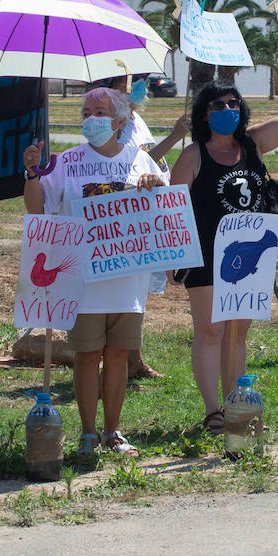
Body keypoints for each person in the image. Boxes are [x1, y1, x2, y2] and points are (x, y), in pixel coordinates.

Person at [170, 58, 278, 433]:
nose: (227, 110)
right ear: (203, 114)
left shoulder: (253, 144)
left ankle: (236, 404)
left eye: (233, 103)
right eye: (217, 105)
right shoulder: (193, 155)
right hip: (206, 258)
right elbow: (173, 209)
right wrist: (174, 258)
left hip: (252, 257)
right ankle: (213, 411)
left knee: (238, 333)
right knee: (210, 332)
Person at [23, 86, 168, 457]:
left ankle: (113, 432)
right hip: (82, 279)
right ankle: (88, 434)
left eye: (99, 113)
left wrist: (155, 185)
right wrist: (31, 174)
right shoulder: (66, 161)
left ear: (121, 121)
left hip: (126, 279)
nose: (91, 120)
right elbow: (38, 211)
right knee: (88, 356)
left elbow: (165, 212)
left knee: (119, 354)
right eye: (86, 113)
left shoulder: (141, 160)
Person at [99, 74, 191, 381]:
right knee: (129, 288)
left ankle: (133, 359)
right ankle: (124, 359)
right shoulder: (118, 123)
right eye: (126, 84)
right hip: (129, 212)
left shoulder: (135, 119)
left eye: (135, 82)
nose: (134, 88)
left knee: (138, 289)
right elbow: (135, 165)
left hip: (146, 209)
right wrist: (175, 136)